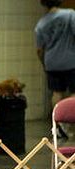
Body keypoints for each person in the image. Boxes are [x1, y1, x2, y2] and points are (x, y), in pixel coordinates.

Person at [35, 0, 75, 138]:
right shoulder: (70, 15)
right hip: (71, 60)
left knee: (56, 92)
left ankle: (58, 125)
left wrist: (44, 63)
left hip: (51, 62)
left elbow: (39, 50)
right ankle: (71, 122)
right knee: (74, 92)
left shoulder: (41, 24)